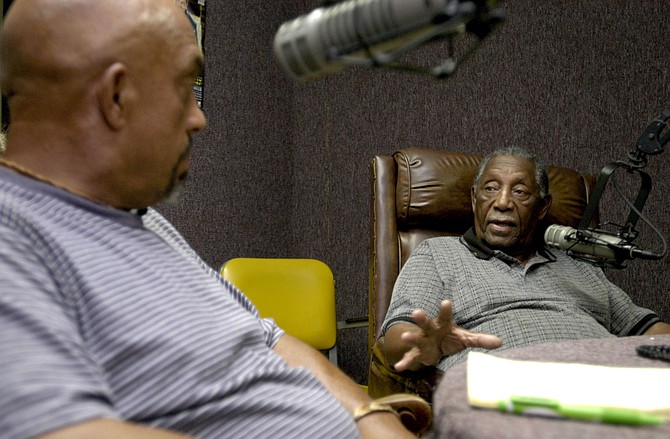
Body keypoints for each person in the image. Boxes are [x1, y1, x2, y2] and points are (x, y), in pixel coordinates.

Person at [0, 1, 417, 438]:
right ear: (115, 97)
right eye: (184, 87)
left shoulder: (140, 218)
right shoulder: (14, 238)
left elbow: (267, 337)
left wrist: (371, 415)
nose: (199, 118)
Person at [381, 146, 670, 373]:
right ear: (474, 199)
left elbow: (647, 329)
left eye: (519, 191)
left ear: (543, 206)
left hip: (615, 380)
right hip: (512, 390)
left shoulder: (578, 262)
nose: (503, 202)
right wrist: (424, 344)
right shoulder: (439, 253)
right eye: (491, 189)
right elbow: (396, 336)